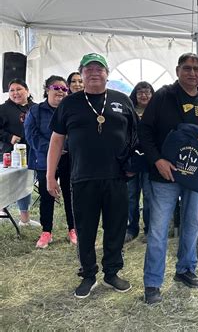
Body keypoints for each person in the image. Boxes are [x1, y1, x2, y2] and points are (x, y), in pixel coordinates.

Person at [46, 53, 137, 299]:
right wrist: (49, 175)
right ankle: (88, 274)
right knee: (85, 229)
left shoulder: (122, 100)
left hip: (116, 177)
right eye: (89, 69)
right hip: (82, 177)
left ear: (107, 73)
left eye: (99, 68)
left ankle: (111, 272)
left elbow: (135, 137)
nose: (94, 72)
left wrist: (133, 163)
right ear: (81, 74)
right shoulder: (69, 103)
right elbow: (56, 140)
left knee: (115, 227)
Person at [139, 52, 198, 305]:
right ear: (178, 70)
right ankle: (153, 283)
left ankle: (186, 269)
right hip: (164, 173)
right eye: (187, 68)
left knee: (191, 224)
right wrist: (157, 159)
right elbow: (144, 130)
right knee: (158, 229)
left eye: (197, 69)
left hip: (195, 176)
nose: (192, 73)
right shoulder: (163, 96)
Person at [24, 75, 76, 248]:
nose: (60, 91)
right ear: (47, 90)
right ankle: (46, 231)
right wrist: (53, 149)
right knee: (46, 195)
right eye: (56, 88)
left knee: (70, 195)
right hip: (43, 159)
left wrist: (65, 147)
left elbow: (77, 134)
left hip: (68, 158)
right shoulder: (35, 111)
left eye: (64, 89)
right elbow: (31, 136)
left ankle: (73, 229)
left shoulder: (70, 110)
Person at [0, 78, 39, 226]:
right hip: (10, 155)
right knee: (5, 184)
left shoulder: (36, 107)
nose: (15, 93)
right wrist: (9, 137)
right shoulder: (3, 109)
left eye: (19, 89)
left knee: (26, 184)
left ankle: (24, 219)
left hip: (32, 153)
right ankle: (3, 211)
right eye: (12, 90)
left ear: (27, 91)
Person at [124, 81, 154, 243]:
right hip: (132, 161)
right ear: (135, 95)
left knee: (149, 196)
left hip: (150, 161)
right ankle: (131, 228)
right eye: (140, 92)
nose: (144, 95)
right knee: (131, 196)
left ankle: (149, 229)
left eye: (147, 92)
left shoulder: (157, 112)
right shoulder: (128, 112)